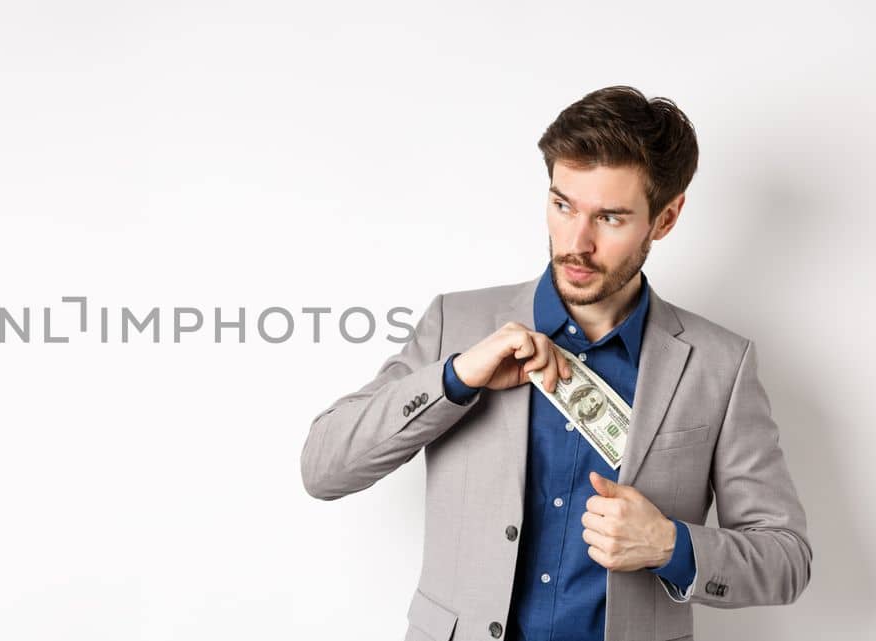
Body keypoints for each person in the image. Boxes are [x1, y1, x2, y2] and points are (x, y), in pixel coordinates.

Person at [299, 86, 810, 641]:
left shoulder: (720, 365)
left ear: (665, 218)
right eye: (563, 205)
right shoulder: (457, 323)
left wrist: (669, 544)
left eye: (610, 218)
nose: (576, 242)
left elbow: (786, 559)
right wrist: (455, 379)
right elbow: (323, 469)